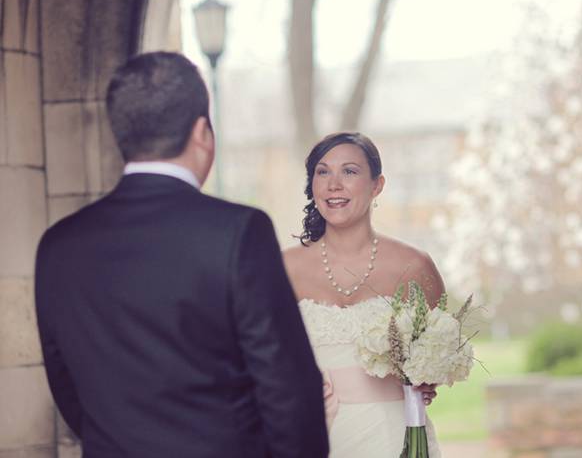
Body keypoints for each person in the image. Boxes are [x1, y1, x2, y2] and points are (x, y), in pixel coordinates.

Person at [34, 52, 328, 458]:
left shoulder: (58, 245)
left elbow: (65, 385)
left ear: (122, 135)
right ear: (202, 132)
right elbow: (289, 389)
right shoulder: (238, 232)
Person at [282, 132, 443, 457]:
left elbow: (439, 352)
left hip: (394, 434)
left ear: (377, 185)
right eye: (323, 172)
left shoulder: (414, 266)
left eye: (350, 171)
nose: (333, 184)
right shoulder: (283, 267)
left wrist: (429, 379)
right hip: (312, 434)